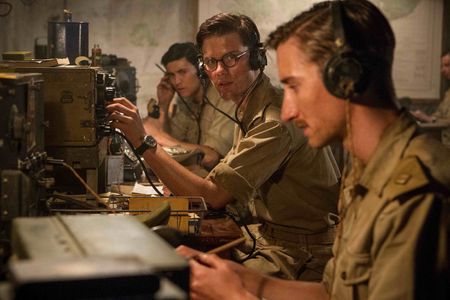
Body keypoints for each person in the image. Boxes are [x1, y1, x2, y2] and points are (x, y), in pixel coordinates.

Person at [176, 1, 450, 299]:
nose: (289, 111)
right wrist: (247, 281)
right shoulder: (367, 169)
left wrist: (235, 296)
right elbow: (335, 294)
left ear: (346, 78)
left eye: (295, 87)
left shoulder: (417, 193)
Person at [107, 13, 340, 280]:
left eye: (231, 58)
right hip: (265, 235)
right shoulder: (246, 106)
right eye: (210, 62)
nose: (219, 71)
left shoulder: (273, 122)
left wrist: (141, 140)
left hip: (299, 252)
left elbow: (214, 195)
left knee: (187, 280)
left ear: (256, 58)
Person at [142, 42, 235, 171]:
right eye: (171, 75)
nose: (176, 81)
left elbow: (211, 157)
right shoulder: (186, 102)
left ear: (201, 70)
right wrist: (163, 104)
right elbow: (174, 147)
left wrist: (159, 137)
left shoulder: (225, 98)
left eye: (182, 72)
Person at [411, 50, 450, 147]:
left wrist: (429, 119)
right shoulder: (448, 93)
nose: (442, 70)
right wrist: (421, 117)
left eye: (447, 65)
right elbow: (439, 114)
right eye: (442, 66)